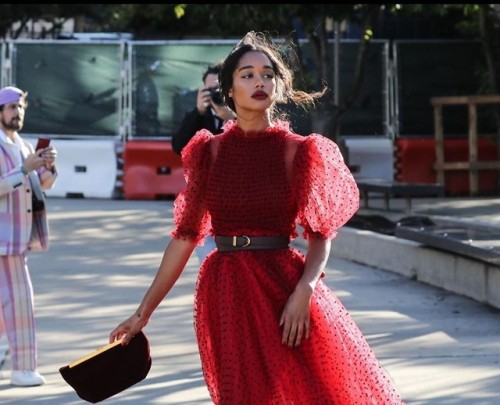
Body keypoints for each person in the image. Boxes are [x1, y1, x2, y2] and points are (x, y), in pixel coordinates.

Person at [110, 31, 404, 404]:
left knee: (317, 392)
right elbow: (185, 238)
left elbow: (320, 233)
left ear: (278, 86)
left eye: (267, 74)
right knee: (244, 395)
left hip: (285, 288)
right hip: (226, 290)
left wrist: (305, 290)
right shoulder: (209, 152)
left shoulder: (299, 151)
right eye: (247, 75)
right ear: (229, 90)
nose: (259, 82)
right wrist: (142, 313)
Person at [0, 86, 58, 387]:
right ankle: (23, 369)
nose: (16, 112)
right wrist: (24, 169)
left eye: (20, 107)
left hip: (15, 238)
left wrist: (46, 165)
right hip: (5, 240)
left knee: (5, 303)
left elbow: (41, 184)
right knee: (21, 303)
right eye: (11, 107)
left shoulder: (20, 144)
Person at [172, 62, 236, 262]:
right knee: (209, 261)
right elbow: (178, 146)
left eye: (219, 89)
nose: (216, 94)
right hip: (208, 202)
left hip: (238, 200)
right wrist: (198, 111)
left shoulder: (246, 115)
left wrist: (233, 118)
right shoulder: (199, 117)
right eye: (210, 90)